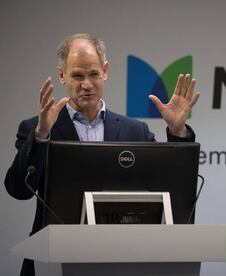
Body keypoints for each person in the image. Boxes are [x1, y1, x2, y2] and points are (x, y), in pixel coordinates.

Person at [4, 33, 200, 276]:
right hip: (54, 262)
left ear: (105, 71)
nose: (86, 84)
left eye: (94, 74)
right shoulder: (36, 127)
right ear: (62, 75)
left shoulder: (135, 131)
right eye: (77, 75)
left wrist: (177, 131)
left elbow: (171, 189)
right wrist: (42, 134)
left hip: (121, 261)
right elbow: (18, 190)